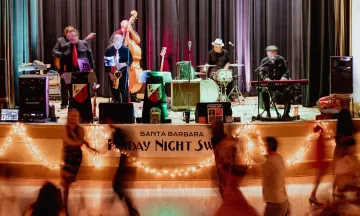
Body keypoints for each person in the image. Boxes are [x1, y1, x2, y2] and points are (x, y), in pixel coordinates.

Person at [61, 109, 98, 211]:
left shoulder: (80, 129)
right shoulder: (65, 129)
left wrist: (91, 148)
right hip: (68, 157)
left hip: (76, 158)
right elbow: (68, 141)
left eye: (75, 116)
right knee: (66, 182)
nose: (73, 118)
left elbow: (81, 140)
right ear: (68, 117)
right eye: (72, 116)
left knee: (71, 180)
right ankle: (65, 204)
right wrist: (79, 143)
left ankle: (77, 203)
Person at [214, 131, 259, 215]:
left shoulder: (228, 165)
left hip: (230, 192)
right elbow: (236, 174)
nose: (235, 154)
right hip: (231, 193)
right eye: (234, 152)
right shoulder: (229, 165)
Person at [53, 27, 95, 109]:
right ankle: (73, 110)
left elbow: (90, 56)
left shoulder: (84, 43)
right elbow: (62, 60)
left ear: (77, 36)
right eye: (69, 37)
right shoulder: (65, 46)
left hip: (84, 68)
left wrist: (92, 68)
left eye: (72, 37)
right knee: (72, 92)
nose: (71, 38)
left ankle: (86, 109)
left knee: (85, 91)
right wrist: (61, 72)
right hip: (70, 70)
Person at [111, 126, 140, 216]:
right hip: (126, 162)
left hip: (127, 163)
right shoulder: (120, 131)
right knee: (119, 188)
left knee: (119, 188)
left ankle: (133, 212)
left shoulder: (121, 132)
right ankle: (132, 212)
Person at [259, 45, 291, 119]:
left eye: (273, 52)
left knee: (288, 90)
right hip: (269, 84)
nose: (271, 54)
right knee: (264, 91)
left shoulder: (281, 59)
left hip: (280, 83)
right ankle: (268, 112)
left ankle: (286, 113)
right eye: (270, 52)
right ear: (267, 53)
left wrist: (283, 77)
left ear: (276, 53)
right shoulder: (264, 61)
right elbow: (261, 72)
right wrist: (266, 78)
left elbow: (286, 71)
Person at [262, 137, 290, 216]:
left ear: (268, 147)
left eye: (266, 145)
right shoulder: (279, 158)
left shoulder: (269, 162)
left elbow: (265, 175)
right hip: (283, 201)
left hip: (274, 203)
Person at [104, 34, 133, 103]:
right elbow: (107, 64)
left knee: (124, 89)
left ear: (121, 41)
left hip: (123, 73)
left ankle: (124, 105)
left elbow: (130, 60)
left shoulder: (125, 49)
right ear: (113, 40)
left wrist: (124, 64)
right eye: (115, 40)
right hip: (112, 73)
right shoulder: (109, 50)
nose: (117, 42)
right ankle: (116, 102)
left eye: (119, 40)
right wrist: (110, 74)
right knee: (114, 89)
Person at [309, 125, 330, 206]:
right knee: (318, 179)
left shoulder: (320, 139)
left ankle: (312, 196)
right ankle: (312, 196)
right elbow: (321, 152)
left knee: (318, 179)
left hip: (321, 162)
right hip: (321, 162)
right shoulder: (320, 139)